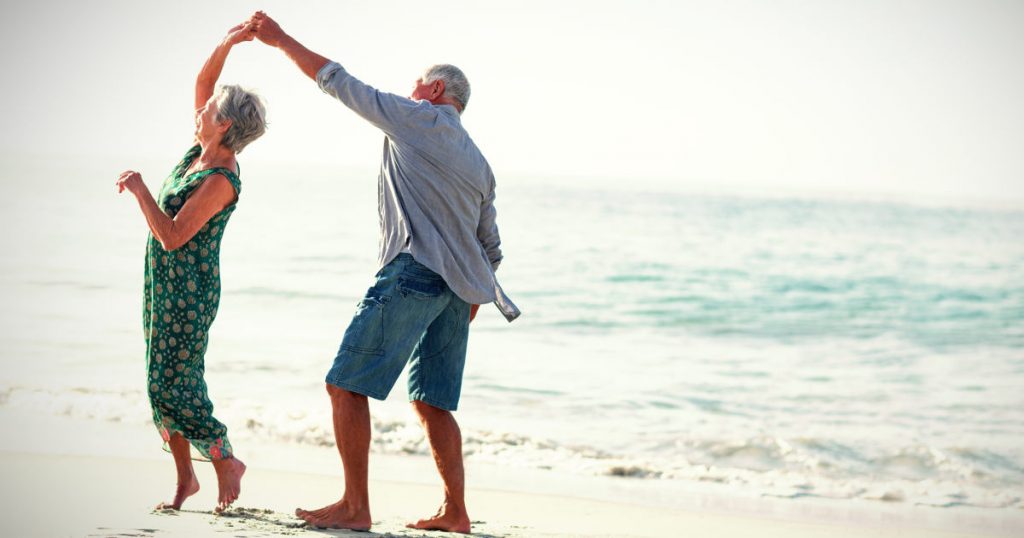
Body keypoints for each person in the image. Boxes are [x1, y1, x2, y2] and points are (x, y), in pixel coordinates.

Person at [248, 11, 519, 534]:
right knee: (432, 402)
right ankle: (456, 512)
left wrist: (279, 39)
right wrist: (470, 300)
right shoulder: (479, 162)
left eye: (417, 84)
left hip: (414, 272)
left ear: (435, 90)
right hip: (459, 292)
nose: (410, 91)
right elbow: (491, 245)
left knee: (344, 386)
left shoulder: (418, 117)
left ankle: (355, 506)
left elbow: (339, 82)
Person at [115, 20, 267, 513]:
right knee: (160, 383)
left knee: (172, 385)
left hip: (189, 291)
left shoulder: (221, 177)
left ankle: (224, 459)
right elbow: (204, 83)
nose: (200, 110)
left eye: (209, 110)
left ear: (224, 125)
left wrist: (140, 190)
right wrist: (228, 42)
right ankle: (186, 480)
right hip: (161, 283)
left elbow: (174, 236)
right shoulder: (198, 153)